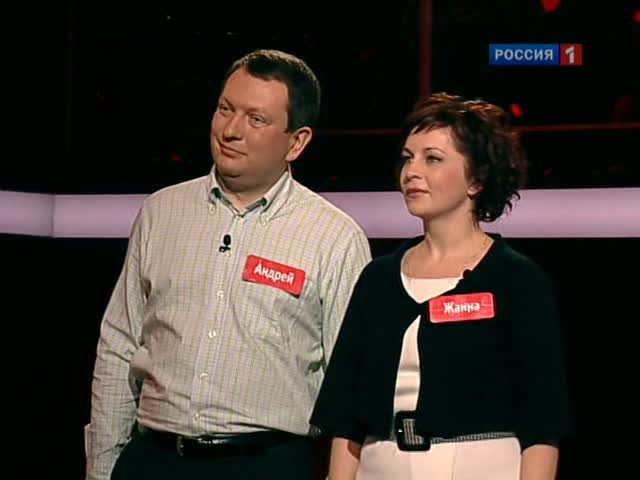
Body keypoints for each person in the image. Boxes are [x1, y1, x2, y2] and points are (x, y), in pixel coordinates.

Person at [85, 49, 372, 480]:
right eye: (225, 109)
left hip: (267, 465)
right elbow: (118, 346)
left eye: (256, 119)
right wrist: (103, 467)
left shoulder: (334, 238)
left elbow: (351, 385)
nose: (231, 130)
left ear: (297, 142)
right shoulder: (161, 212)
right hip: (154, 460)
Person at [310, 92, 573, 480]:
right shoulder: (377, 280)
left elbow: (543, 422)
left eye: (432, 159)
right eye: (407, 158)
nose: (411, 172)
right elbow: (346, 418)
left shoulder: (516, 280)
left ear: (476, 179)